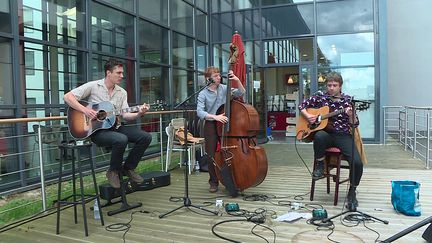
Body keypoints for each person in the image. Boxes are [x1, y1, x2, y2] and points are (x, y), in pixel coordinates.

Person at [64, 59, 152, 189]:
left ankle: (128, 168)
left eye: (122, 73)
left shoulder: (122, 92)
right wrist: (86, 111)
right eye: (118, 73)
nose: (122, 76)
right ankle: (113, 171)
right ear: (108, 73)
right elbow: (67, 97)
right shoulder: (93, 86)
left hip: (115, 127)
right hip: (97, 131)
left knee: (145, 137)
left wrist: (139, 113)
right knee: (121, 139)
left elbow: (126, 115)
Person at [298, 72, 363, 211]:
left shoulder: (347, 101)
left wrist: (351, 115)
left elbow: (354, 124)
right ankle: (320, 165)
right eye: (329, 85)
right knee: (319, 136)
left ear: (340, 86)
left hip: (343, 135)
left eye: (335, 85)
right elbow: (301, 106)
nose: (331, 88)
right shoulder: (321, 98)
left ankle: (352, 191)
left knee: (357, 162)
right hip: (326, 134)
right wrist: (309, 116)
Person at [196, 66, 245, 193]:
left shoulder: (224, 88)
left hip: (225, 123)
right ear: (208, 79)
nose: (219, 77)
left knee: (229, 151)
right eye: (216, 76)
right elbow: (200, 112)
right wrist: (215, 117)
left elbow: (241, 92)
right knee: (211, 154)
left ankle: (233, 179)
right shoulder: (203, 93)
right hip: (211, 124)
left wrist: (237, 80)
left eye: (219, 75)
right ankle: (213, 182)